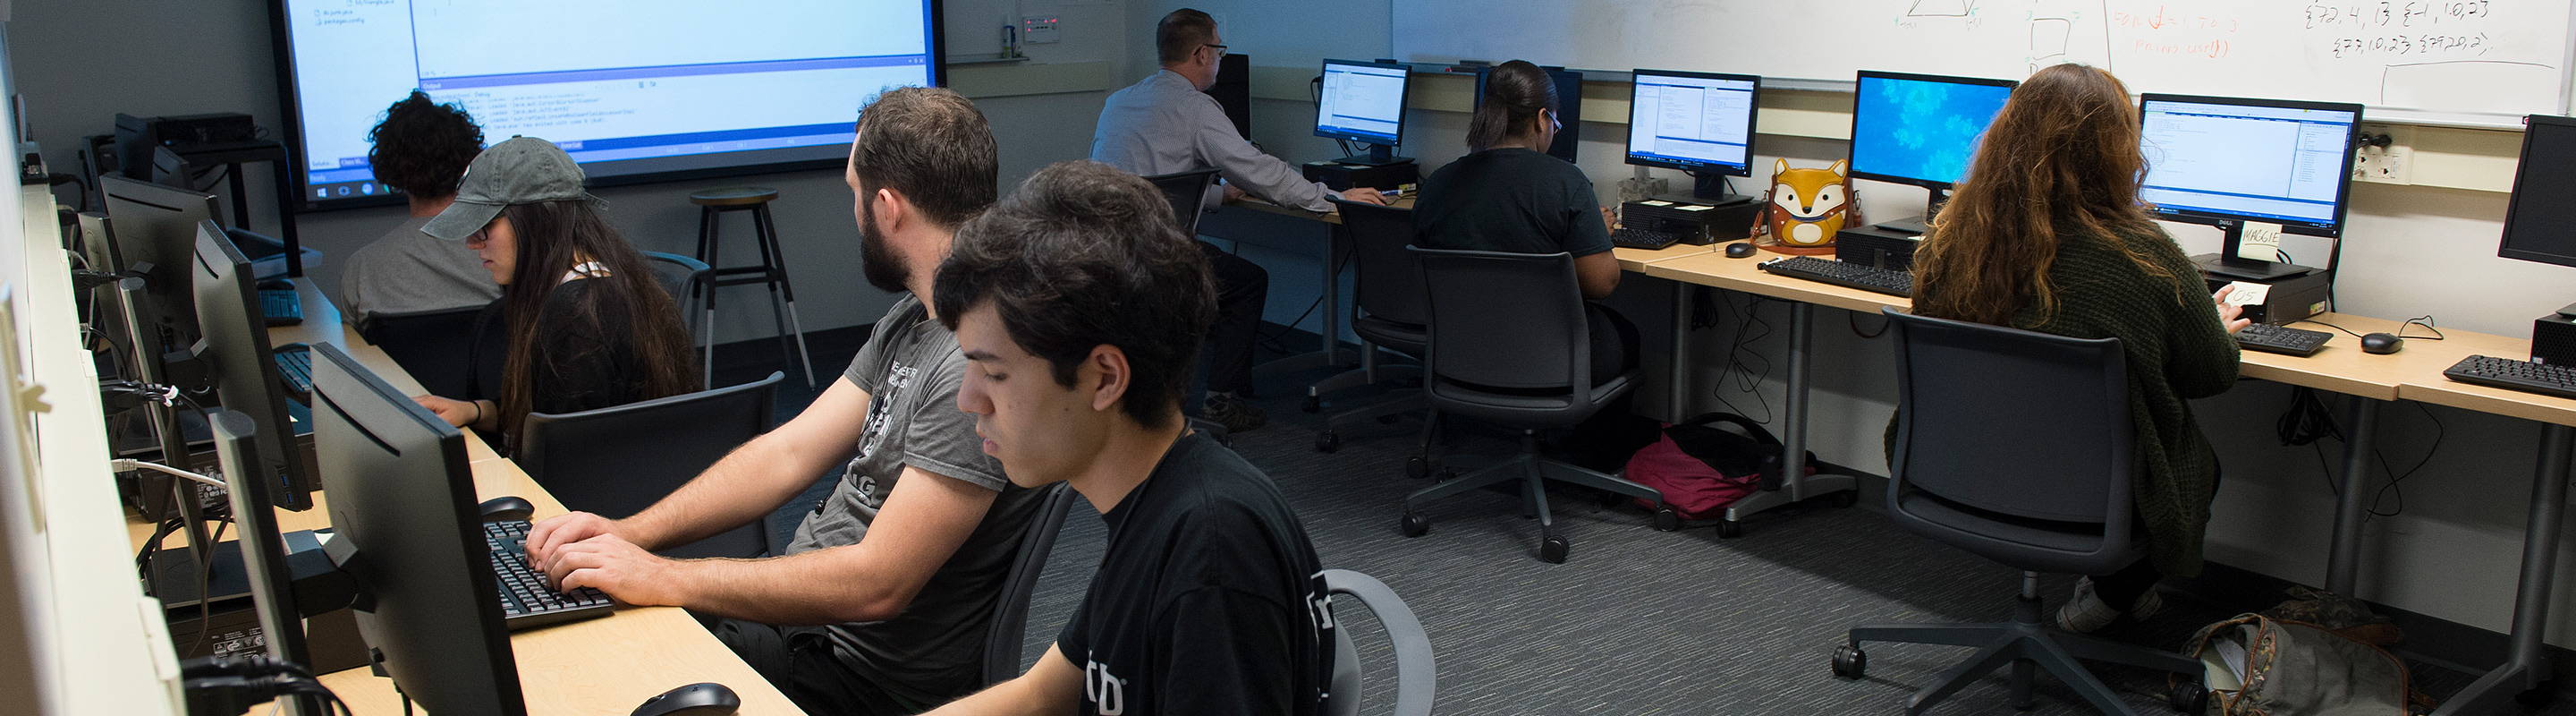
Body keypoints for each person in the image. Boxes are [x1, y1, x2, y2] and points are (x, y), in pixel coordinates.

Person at [521, 87, 1047, 716]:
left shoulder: (974, 361)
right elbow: (789, 453)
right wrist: (631, 532)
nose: (854, 213)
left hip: (851, 675)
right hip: (804, 629)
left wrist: (662, 575)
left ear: (887, 207)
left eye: (855, 193)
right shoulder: (915, 317)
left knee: (585, 672)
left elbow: (877, 584)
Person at [923, 160, 1327, 716]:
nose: (968, 399)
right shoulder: (1149, 502)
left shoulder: (1211, 554)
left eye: (993, 373)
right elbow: (1039, 696)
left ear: (1105, 378)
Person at [1902, 64, 2250, 633]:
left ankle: (2114, 595)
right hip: (2089, 497)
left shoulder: (1952, 238)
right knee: (2194, 466)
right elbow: (2211, 376)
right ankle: (2111, 597)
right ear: (2118, 153)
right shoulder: (2143, 256)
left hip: (1956, 473)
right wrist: (2213, 326)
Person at [1090, 8, 1389, 433]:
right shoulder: (1195, 108)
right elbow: (1260, 171)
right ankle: (1220, 401)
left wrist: (1214, 193)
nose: (1220, 59)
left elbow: (1137, 181)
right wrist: (1331, 198)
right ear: (1201, 53)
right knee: (1247, 283)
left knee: (1222, 277)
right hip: (1158, 256)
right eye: (1219, 50)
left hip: (1110, 251)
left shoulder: (1119, 101)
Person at [1411, 60, 1646, 464]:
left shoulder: (1438, 184)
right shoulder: (1565, 182)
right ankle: (1594, 461)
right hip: (1548, 359)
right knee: (1627, 334)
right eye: (1555, 122)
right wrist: (1597, 235)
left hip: (1457, 355)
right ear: (1541, 119)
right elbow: (1601, 283)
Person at [409, 137, 698, 446]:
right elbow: (547, 414)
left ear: (537, 221)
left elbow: (570, 455)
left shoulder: (576, 316)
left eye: (484, 228)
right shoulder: (600, 282)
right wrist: (475, 411)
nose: (471, 243)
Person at [338, 91, 501, 326]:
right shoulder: (505, 259)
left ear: (391, 168)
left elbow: (351, 346)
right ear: (470, 162)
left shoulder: (361, 270)